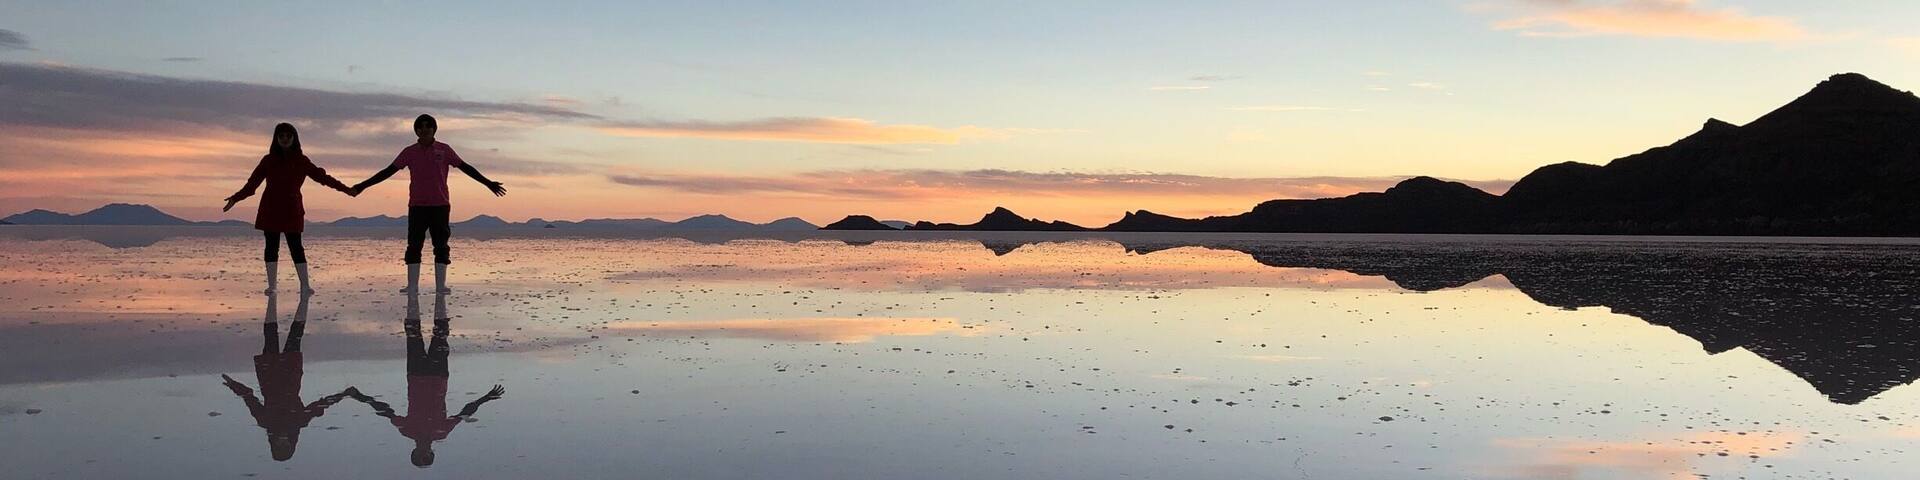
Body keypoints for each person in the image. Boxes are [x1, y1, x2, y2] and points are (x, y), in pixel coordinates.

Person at [344, 292, 506, 467]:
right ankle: (440, 295)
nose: (425, 451)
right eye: (427, 456)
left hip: (416, 374)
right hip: (438, 375)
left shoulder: (408, 430)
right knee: (441, 332)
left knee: (413, 332)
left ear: (414, 451)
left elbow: (386, 411)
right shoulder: (440, 432)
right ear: (431, 453)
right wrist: (485, 398)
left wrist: (361, 397)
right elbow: (464, 414)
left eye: (421, 455)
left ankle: (412, 294)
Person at [349, 114, 506, 294]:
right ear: (416, 130)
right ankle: (412, 285)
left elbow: (466, 167)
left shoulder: (444, 150)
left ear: (434, 129)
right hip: (417, 206)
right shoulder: (409, 152)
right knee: (414, 245)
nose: (424, 129)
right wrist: (362, 186)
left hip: (440, 205)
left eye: (428, 126)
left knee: (441, 245)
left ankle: (441, 286)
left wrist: (488, 183)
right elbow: (387, 171)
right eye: (420, 127)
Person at [220, 293, 355, 461]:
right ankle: (304, 299)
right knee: (295, 335)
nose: (282, 442)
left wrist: (233, 385)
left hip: (270, 374)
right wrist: (343, 394)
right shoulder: (298, 421)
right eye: (285, 446)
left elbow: (249, 398)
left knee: (271, 336)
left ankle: (273, 298)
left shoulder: (265, 421)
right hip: (289, 374)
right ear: (292, 444)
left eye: (279, 446)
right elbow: (320, 406)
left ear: (273, 444)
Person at [224, 123, 355, 294]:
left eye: (288, 136)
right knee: (271, 247)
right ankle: (272, 286)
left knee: (296, 247)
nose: (285, 139)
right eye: (281, 136)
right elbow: (252, 184)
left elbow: (323, 178)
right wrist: (235, 198)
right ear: (276, 139)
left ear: (294, 138)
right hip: (270, 209)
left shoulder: (301, 161)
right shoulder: (268, 160)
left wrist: (346, 189)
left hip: (292, 210)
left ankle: (305, 285)